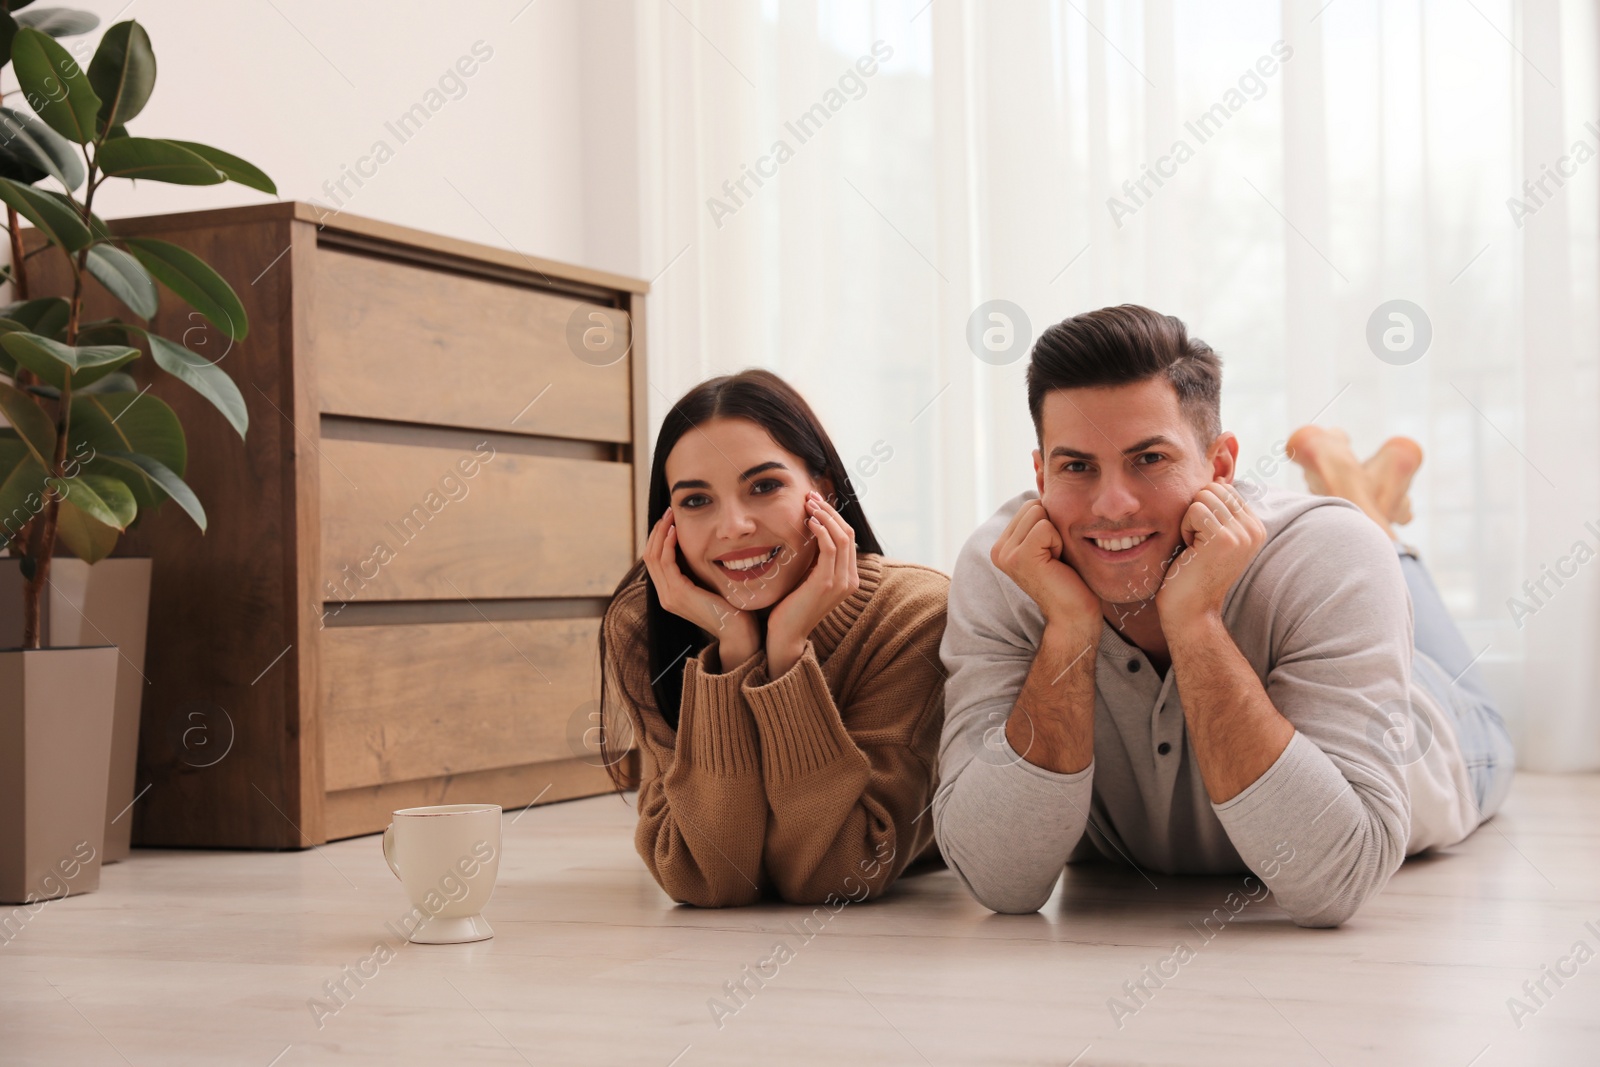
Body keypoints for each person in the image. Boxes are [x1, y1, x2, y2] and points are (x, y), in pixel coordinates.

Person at [933, 304, 1514, 927]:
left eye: (1149, 459)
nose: (1112, 504)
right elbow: (1000, 878)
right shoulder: (1009, 566)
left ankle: (1365, 507)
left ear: (1221, 467)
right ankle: (1353, 483)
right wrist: (1071, 630)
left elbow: (1332, 884)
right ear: (1040, 473)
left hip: (1434, 731)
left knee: (1474, 713)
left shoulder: (1331, 555)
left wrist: (1195, 624)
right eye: (1076, 466)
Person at [597, 369, 949, 907]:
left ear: (823, 492)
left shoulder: (915, 616)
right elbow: (707, 877)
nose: (733, 525)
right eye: (696, 501)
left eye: (764, 486)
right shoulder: (646, 629)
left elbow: (835, 873)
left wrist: (786, 656)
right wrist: (732, 650)